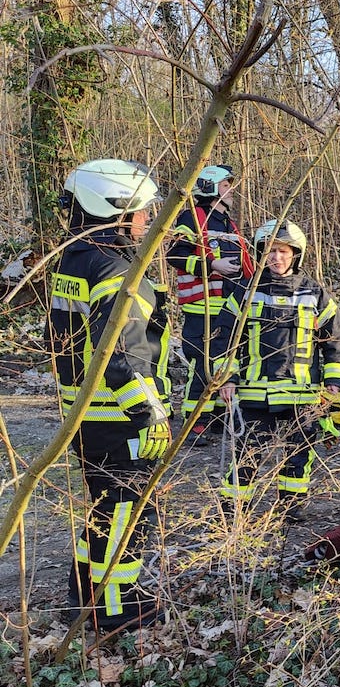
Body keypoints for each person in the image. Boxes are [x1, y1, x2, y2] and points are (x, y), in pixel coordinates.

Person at [49, 159, 171, 631]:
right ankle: (118, 610)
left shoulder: (73, 261)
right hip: (119, 419)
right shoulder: (118, 270)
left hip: (82, 416)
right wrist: (150, 414)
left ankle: (84, 592)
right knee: (126, 512)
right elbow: (122, 356)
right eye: (141, 212)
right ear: (116, 209)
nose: (146, 221)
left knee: (103, 506)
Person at [213, 220, 340, 521]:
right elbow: (224, 340)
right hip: (254, 395)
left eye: (283, 251)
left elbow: (335, 339)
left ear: (296, 254)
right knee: (247, 456)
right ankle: (233, 513)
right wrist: (227, 378)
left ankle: (290, 509)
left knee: (298, 456)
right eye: (271, 251)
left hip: (302, 397)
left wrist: (334, 379)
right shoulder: (245, 292)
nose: (277, 258)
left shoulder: (315, 293)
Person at [166, 164, 252, 445]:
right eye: (226, 185)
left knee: (227, 364)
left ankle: (215, 419)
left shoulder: (228, 223)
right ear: (211, 188)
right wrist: (212, 264)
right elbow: (175, 256)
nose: (231, 191)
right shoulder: (192, 218)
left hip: (230, 307)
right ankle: (194, 424)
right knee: (201, 366)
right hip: (201, 309)